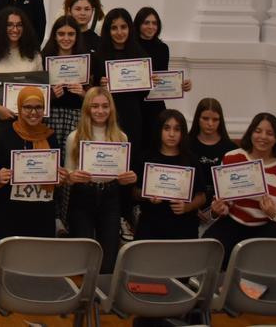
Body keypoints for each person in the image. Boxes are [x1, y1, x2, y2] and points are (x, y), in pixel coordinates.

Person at [0, 7, 43, 242]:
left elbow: (38, 88)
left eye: (19, 25)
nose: (14, 29)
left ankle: (18, 224)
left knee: (24, 171)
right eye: (10, 25)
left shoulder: (33, 54)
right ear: (1, 28)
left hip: (28, 121)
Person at [205, 113, 276, 265]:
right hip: (234, 223)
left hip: (268, 226)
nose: (263, 137)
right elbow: (222, 198)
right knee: (208, 252)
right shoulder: (232, 158)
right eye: (258, 131)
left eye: (270, 133)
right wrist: (218, 208)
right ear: (250, 133)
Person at [64, 88, 137, 273]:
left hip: (110, 196)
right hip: (82, 195)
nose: (100, 111)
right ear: (87, 108)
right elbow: (67, 175)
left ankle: (102, 296)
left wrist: (130, 178)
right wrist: (71, 176)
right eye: (95, 106)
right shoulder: (74, 137)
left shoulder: (121, 137)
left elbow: (123, 175)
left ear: (111, 108)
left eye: (105, 106)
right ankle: (83, 298)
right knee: (83, 254)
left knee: (108, 256)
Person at [0, 86, 68, 242]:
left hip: (42, 214)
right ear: (19, 108)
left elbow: (57, 172)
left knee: (39, 258)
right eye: (28, 107)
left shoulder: (50, 137)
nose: (33, 112)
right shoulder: (6, 136)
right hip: (11, 214)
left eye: (38, 107)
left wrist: (61, 178)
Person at [134, 109, 206, 240]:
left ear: (183, 133)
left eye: (177, 129)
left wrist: (188, 207)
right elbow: (134, 192)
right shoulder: (145, 157)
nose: (172, 134)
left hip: (184, 225)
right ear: (158, 130)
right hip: (151, 225)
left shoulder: (191, 159)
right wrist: (146, 196)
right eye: (166, 128)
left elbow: (201, 196)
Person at [91, 8, 151, 156]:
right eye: (114, 28)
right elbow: (94, 90)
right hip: (106, 113)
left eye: (123, 27)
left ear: (130, 28)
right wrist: (101, 85)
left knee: (130, 154)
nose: (119, 32)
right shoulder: (99, 55)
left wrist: (146, 81)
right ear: (107, 30)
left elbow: (144, 93)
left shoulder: (140, 54)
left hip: (132, 113)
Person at [134, 6, 194, 140]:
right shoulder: (131, 46)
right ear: (138, 24)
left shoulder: (163, 48)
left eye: (154, 23)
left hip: (155, 103)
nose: (151, 26)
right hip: (136, 104)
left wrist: (181, 85)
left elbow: (164, 78)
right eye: (146, 23)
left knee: (156, 141)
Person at [40, 16, 89, 162]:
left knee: (73, 158)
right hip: (51, 116)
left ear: (77, 36)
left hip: (76, 115)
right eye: (61, 34)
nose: (66, 38)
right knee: (50, 157)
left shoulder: (85, 60)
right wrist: (51, 94)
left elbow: (94, 95)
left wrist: (83, 93)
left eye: (71, 34)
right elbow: (37, 93)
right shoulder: (43, 59)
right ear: (54, 36)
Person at [189, 97, 237, 209]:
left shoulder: (231, 148)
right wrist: (192, 207)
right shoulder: (186, 144)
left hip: (222, 206)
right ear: (197, 118)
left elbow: (234, 185)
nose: (210, 123)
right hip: (190, 204)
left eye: (215, 120)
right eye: (205, 118)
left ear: (220, 121)